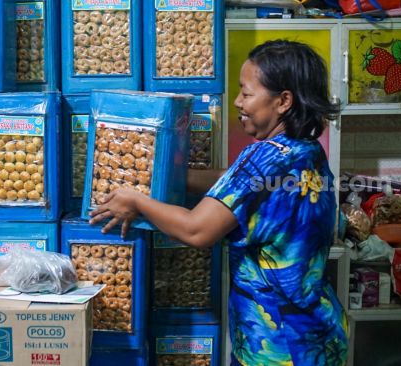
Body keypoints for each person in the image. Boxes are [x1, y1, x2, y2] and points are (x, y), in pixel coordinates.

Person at [89, 40, 348, 365]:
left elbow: (198, 230)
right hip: (321, 336)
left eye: (247, 93)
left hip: (277, 347)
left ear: (283, 101)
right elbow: (243, 186)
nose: (238, 102)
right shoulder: (305, 150)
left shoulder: (262, 155)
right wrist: (169, 179)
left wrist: (137, 201)